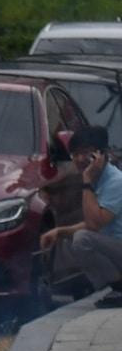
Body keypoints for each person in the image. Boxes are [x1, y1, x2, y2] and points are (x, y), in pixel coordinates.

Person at [41, 127, 122, 307]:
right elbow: (96, 224)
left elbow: (94, 224)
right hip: (116, 246)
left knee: (82, 240)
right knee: (71, 238)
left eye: (85, 153)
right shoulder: (99, 178)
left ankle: (118, 287)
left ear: (101, 155)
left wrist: (86, 181)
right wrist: (60, 231)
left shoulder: (115, 182)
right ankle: (114, 288)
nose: (79, 159)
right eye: (75, 154)